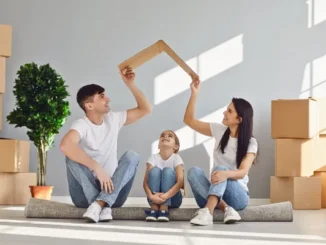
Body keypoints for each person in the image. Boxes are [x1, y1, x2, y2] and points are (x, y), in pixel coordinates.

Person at [60, 67, 152, 223]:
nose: (108, 99)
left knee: (132, 156)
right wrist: (97, 168)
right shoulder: (81, 124)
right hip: (83, 195)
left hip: (113, 192)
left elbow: (146, 109)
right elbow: (65, 146)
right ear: (89, 105)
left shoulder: (113, 118)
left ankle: (100, 204)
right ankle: (102, 204)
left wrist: (130, 84)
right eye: (102, 96)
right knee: (70, 157)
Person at [184, 77, 258, 225]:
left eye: (229, 111)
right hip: (215, 190)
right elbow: (189, 120)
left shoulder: (251, 142)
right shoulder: (219, 131)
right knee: (193, 171)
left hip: (237, 196)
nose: (225, 112)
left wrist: (225, 174)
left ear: (239, 119)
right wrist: (194, 94)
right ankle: (224, 209)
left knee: (219, 169)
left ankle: (208, 212)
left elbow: (242, 172)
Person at [143, 130, 185, 222]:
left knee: (168, 171)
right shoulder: (153, 158)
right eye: (162, 135)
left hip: (173, 198)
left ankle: (164, 208)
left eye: (170, 136)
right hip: (154, 198)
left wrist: (165, 197)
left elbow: (180, 182)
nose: (165, 137)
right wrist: (151, 196)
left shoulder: (176, 158)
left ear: (176, 146)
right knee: (154, 171)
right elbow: (145, 182)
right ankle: (154, 208)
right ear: (158, 145)